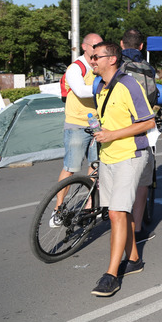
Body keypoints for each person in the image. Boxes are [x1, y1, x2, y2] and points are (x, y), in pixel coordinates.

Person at [89, 41, 156, 297]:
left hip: (131, 156)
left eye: (97, 57)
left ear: (112, 59)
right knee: (120, 213)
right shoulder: (101, 87)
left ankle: (111, 274)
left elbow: (148, 122)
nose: (92, 60)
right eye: (91, 56)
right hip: (108, 157)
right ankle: (135, 260)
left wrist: (113, 134)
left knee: (117, 214)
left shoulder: (129, 84)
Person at [52, 32, 103, 218]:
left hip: (96, 122)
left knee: (95, 164)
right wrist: (105, 87)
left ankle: (90, 204)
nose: (97, 49)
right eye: (94, 46)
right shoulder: (76, 67)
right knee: (71, 167)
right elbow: (81, 91)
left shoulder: (100, 65)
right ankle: (58, 209)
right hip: (76, 123)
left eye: (100, 46)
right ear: (84, 47)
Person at [119, 28, 157, 244]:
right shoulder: (148, 68)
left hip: (115, 126)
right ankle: (137, 227)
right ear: (142, 46)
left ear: (122, 44)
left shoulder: (116, 66)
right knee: (143, 180)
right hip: (142, 126)